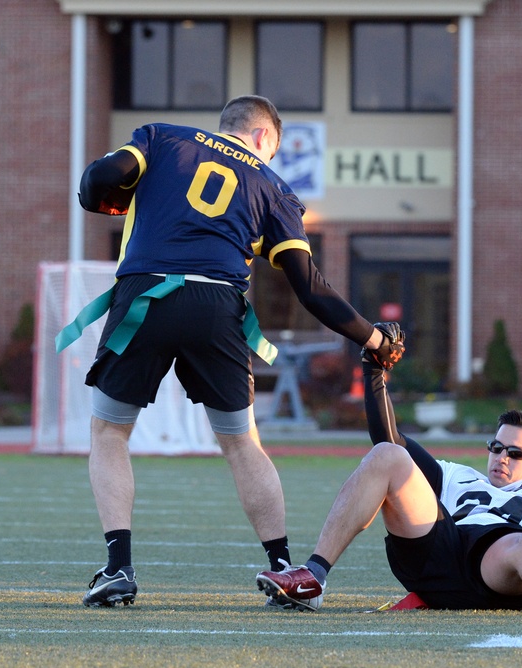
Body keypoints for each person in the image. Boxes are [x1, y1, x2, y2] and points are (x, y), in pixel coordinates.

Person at [60, 95, 405, 607]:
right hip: (217, 303)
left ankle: (118, 568)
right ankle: (284, 568)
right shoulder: (273, 187)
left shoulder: (162, 137)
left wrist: (100, 199)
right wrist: (375, 339)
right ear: (265, 138)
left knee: (109, 430)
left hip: (144, 296)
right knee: (242, 444)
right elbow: (310, 289)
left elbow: (103, 175)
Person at [256, 330, 522, 611]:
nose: (502, 457)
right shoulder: (457, 476)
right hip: (433, 555)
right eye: (497, 447)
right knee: (387, 454)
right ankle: (314, 576)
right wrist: (374, 370)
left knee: (516, 543)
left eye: (516, 453)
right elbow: (388, 438)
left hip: (496, 570)